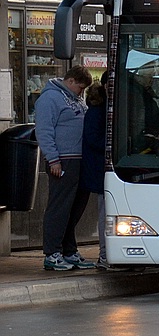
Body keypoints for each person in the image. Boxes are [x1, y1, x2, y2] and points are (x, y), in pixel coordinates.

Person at [35, 65, 94, 271]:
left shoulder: (75, 99)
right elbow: (44, 130)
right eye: (80, 88)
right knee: (59, 208)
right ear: (70, 82)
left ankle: (69, 250)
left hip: (79, 160)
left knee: (74, 208)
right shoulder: (50, 99)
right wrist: (53, 159)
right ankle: (52, 252)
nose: (82, 92)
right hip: (63, 160)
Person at [81, 73, 110, 269]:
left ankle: (107, 254)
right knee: (105, 211)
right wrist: (111, 147)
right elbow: (92, 138)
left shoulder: (106, 107)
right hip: (100, 168)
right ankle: (104, 254)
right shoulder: (98, 109)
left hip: (105, 167)